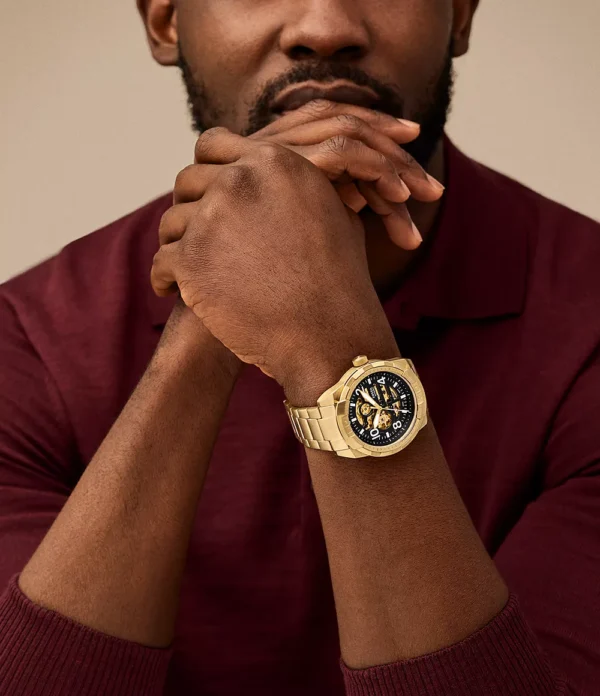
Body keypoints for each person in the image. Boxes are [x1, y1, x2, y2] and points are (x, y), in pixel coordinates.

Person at [0, 1, 598, 694]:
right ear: (166, 23)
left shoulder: (584, 319)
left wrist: (333, 342)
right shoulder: (29, 338)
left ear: (459, 18)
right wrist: (205, 322)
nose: (324, 28)